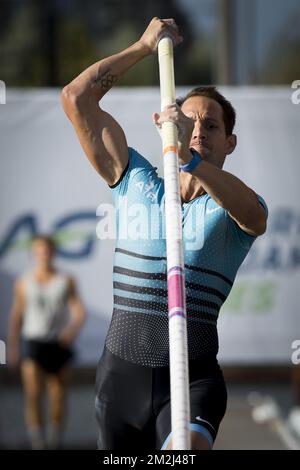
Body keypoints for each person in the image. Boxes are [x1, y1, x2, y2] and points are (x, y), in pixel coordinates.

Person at [61, 17, 268, 450]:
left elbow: (255, 216)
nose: (197, 130)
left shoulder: (229, 209)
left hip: (192, 381)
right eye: (189, 121)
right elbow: (76, 99)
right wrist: (142, 46)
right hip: (118, 382)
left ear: (229, 142)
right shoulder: (134, 178)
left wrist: (192, 163)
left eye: (210, 126)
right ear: (165, 121)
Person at [7, 235, 86, 449]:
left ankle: (54, 438)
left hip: (58, 344)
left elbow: (79, 311)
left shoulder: (66, 280)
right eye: (39, 251)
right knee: (33, 394)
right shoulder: (24, 282)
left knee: (58, 395)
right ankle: (37, 441)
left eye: (47, 250)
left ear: (53, 253)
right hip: (34, 342)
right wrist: (12, 348)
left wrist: (71, 331)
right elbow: (17, 316)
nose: (43, 255)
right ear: (34, 254)